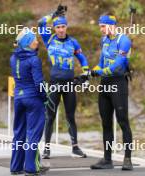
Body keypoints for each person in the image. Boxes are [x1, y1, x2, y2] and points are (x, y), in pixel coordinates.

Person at [38, 5, 89, 159]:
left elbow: (82, 57)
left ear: (66, 27)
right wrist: (53, 15)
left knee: (70, 116)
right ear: (54, 28)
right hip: (54, 83)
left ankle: (75, 147)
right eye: (58, 27)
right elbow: (41, 23)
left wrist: (86, 74)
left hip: (69, 84)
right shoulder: (49, 39)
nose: (60, 29)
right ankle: (46, 148)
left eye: (63, 27)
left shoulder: (73, 42)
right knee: (50, 116)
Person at [90, 14, 133, 170]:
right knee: (106, 123)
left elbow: (118, 63)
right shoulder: (104, 40)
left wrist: (102, 71)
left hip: (118, 83)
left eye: (103, 26)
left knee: (123, 121)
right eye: (100, 26)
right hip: (105, 84)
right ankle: (107, 159)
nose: (101, 29)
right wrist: (91, 72)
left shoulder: (124, 40)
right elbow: (101, 61)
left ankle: (127, 158)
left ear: (111, 25)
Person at [10, 28, 49, 176]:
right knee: (33, 134)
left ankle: (16, 167)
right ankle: (31, 168)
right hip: (33, 99)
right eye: (34, 39)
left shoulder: (13, 58)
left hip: (18, 98)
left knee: (18, 133)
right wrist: (45, 98)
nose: (37, 41)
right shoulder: (34, 59)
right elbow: (39, 83)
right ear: (28, 43)